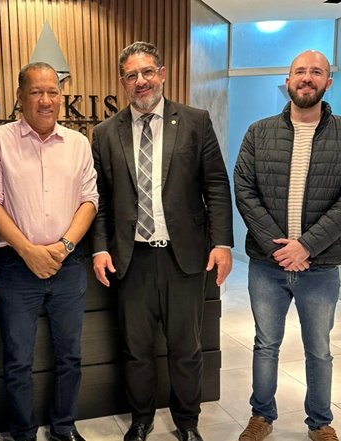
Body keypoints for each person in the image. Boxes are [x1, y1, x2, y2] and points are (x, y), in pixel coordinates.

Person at [91, 41, 233, 441]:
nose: (141, 81)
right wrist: (100, 247)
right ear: (123, 81)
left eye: (147, 72)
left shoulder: (195, 122)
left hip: (182, 258)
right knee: (136, 350)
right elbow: (99, 199)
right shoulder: (104, 133)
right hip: (130, 258)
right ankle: (141, 419)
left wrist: (222, 243)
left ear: (162, 73)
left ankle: (187, 422)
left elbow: (216, 186)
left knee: (186, 348)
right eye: (131, 75)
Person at [234, 50, 341, 441]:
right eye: (300, 71)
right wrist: (278, 248)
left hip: (320, 267)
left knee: (319, 349)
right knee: (265, 345)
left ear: (328, 81)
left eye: (316, 72)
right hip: (267, 264)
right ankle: (261, 416)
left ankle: (320, 422)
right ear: (288, 80)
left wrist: (306, 246)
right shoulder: (259, 133)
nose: (307, 77)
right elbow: (244, 190)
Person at [0, 62, 98, 441]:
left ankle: (63, 427)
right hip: (16, 266)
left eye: (52, 92)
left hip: (69, 265)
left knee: (70, 356)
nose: (45, 100)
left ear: (60, 97)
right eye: (36, 92)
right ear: (20, 97)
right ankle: (23, 433)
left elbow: (89, 200)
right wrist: (28, 250)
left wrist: (63, 247)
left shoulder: (79, 143)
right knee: (18, 361)